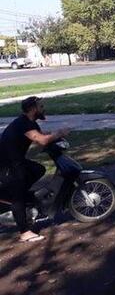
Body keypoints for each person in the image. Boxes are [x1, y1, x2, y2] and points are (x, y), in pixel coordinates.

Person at [0, 97, 68, 242]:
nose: (43, 109)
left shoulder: (30, 123)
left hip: (15, 161)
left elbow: (42, 137)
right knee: (18, 196)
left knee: (38, 169)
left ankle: (17, 194)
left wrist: (53, 137)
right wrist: (59, 133)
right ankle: (24, 232)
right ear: (33, 109)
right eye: (41, 106)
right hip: (6, 164)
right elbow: (42, 140)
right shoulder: (24, 124)